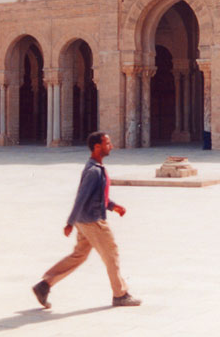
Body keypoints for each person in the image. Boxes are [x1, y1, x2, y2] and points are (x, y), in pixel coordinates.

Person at [32, 132, 141, 308]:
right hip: (93, 221)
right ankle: (120, 295)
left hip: (85, 221)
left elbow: (96, 197)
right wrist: (69, 222)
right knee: (111, 254)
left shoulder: (95, 167)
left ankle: (44, 285)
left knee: (79, 255)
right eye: (107, 143)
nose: (111, 146)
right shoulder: (93, 171)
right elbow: (81, 198)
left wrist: (113, 206)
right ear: (97, 147)